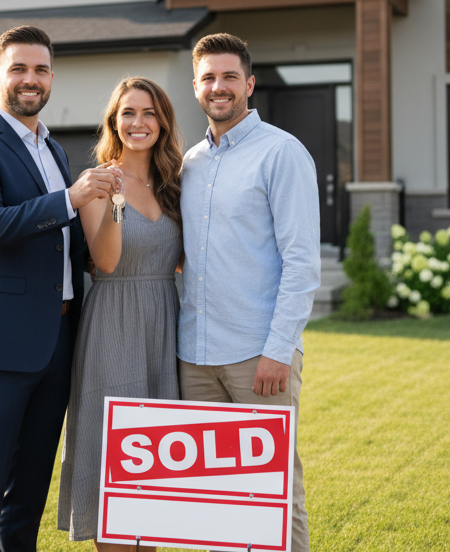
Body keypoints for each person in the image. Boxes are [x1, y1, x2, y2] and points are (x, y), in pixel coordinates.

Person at [0, 25, 120, 552]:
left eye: (40, 69)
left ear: (52, 77)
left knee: (28, 495)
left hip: (58, 342)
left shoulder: (54, 150)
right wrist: (70, 198)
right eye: (18, 68)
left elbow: (60, 244)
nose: (30, 79)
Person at [178, 33, 321, 552]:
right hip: (194, 358)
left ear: (250, 84)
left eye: (229, 77)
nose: (219, 87)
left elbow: (302, 262)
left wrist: (278, 349)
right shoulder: (189, 163)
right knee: (216, 496)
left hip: (258, 357)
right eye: (209, 78)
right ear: (196, 86)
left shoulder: (282, 152)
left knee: (275, 490)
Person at [57, 77, 184, 550]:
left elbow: (181, 258)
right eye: (128, 112)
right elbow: (106, 262)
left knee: (154, 460)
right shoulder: (98, 182)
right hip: (114, 324)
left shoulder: (173, 184)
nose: (138, 122)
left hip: (164, 326)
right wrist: (114, 200)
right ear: (114, 121)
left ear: (163, 122)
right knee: (113, 454)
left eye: (149, 112)